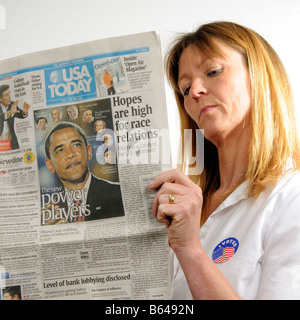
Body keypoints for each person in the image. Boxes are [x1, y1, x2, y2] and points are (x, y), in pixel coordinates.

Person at [148, 21, 300, 300]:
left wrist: (192, 249)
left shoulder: (291, 197)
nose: (195, 91)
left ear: (260, 75)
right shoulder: (182, 204)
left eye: (212, 71)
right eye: (184, 89)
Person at [44, 122, 124, 223]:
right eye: (60, 150)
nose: (70, 154)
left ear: (89, 152)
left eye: (76, 145)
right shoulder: (51, 213)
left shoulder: (118, 193)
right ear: (50, 165)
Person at [0, 84, 31, 150]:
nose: (9, 97)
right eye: (6, 95)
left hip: (11, 140)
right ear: (0, 99)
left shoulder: (12, 104)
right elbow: (1, 117)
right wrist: (10, 112)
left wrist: (24, 112)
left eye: (9, 94)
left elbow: (20, 114)